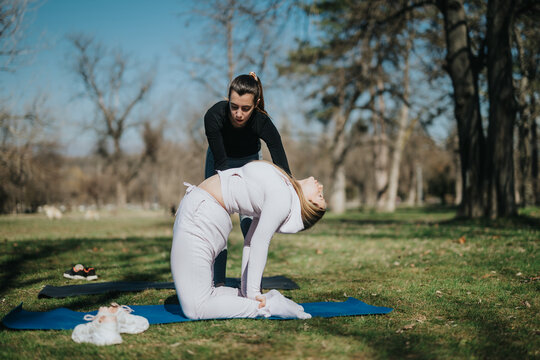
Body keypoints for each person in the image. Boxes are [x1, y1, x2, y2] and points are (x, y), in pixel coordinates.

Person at [170, 161, 326, 319]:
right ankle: (265, 301)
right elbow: (250, 243)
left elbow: (258, 243)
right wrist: (248, 292)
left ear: (310, 203)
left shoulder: (283, 199)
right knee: (205, 296)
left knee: (196, 310)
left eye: (320, 196)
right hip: (204, 212)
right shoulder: (283, 187)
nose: (320, 187)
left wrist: (252, 294)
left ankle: (269, 306)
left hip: (202, 215)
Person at [204, 72, 291, 286]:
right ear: (228, 100)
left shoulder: (262, 122)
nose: (239, 114)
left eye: (246, 108)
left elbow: (281, 163)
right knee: (217, 221)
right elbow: (222, 166)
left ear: (256, 104)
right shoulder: (214, 116)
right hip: (220, 160)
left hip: (250, 162)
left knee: (248, 223)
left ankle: (251, 282)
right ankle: (218, 283)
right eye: (234, 107)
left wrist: (290, 192)